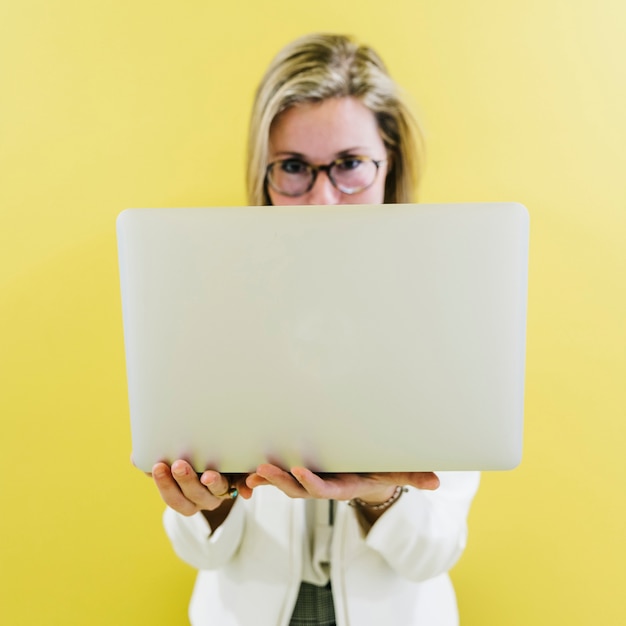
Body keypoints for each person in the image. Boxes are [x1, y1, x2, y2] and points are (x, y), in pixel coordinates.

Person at [149, 33, 480, 626]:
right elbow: (199, 549)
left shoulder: (450, 312)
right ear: (264, 175)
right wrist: (210, 508)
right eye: (295, 169)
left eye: (350, 164)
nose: (325, 200)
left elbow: (433, 552)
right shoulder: (213, 307)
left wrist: (380, 494)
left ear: (390, 164)